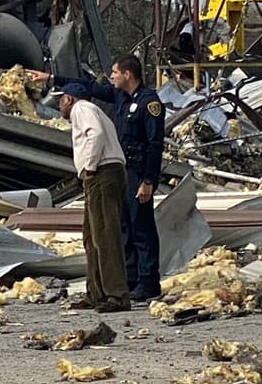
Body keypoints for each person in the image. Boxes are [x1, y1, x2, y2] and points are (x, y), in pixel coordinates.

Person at [29, 54, 165, 300]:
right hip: (123, 172)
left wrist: (148, 181)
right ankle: (130, 278)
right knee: (122, 226)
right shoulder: (120, 97)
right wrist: (51, 78)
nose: (111, 77)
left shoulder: (149, 103)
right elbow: (89, 87)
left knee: (141, 226)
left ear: (127, 74)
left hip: (138, 170)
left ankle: (148, 282)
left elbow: (155, 145)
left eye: (115, 72)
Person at [51, 82, 131, 313]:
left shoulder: (81, 108)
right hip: (105, 172)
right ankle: (96, 293)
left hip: (102, 172)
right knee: (91, 236)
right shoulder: (93, 111)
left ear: (69, 99)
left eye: (60, 100)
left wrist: (89, 167)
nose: (59, 106)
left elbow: (95, 134)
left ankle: (117, 295)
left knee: (105, 234)